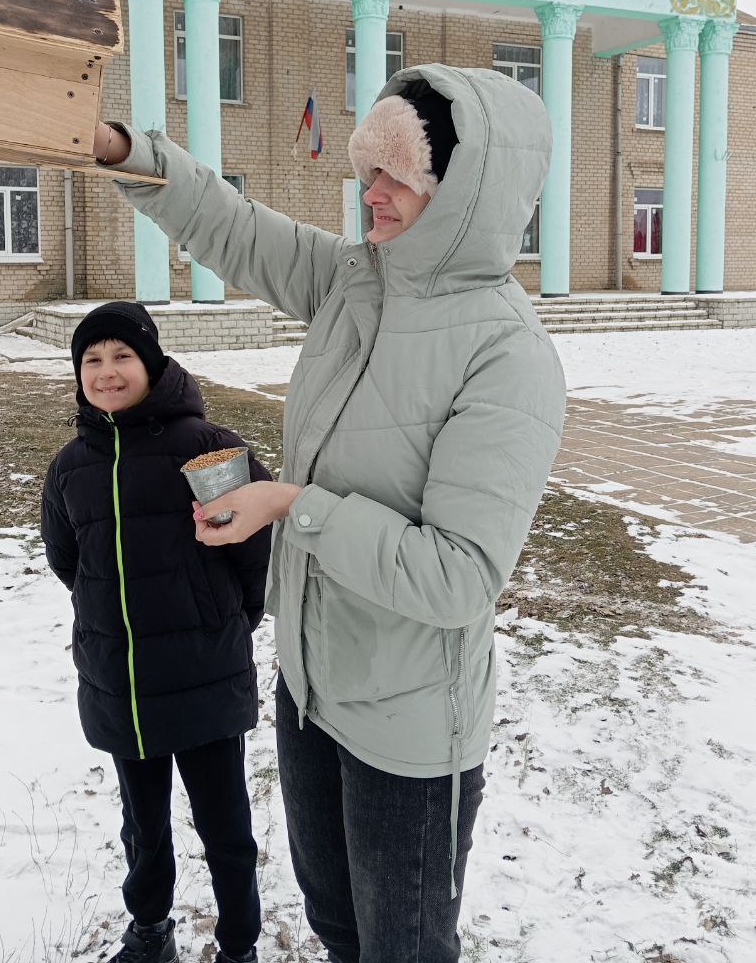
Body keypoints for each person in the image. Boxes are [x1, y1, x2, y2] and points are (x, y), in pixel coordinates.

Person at [93, 64, 567, 963]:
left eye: (395, 177)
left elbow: (459, 575)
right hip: (312, 691)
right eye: (367, 168)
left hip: (411, 728)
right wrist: (125, 153)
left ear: (464, 192)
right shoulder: (360, 281)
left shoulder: (509, 356)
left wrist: (294, 506)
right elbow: (233, 228)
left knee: (403, 949)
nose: (369, 193)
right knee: (338, 932)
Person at [41, 301, 272, 963]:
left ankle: (239, 948)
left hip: (203, 675)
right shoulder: (69, 467)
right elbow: (68, 561)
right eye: (91, 360)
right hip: (121, 683)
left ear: (151, 364)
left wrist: (221, 623)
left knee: (225, 828)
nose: (107, 372)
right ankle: (150, 932)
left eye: (122, 357)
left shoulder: (208, 447)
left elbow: (252, 552)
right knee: (142, 827)